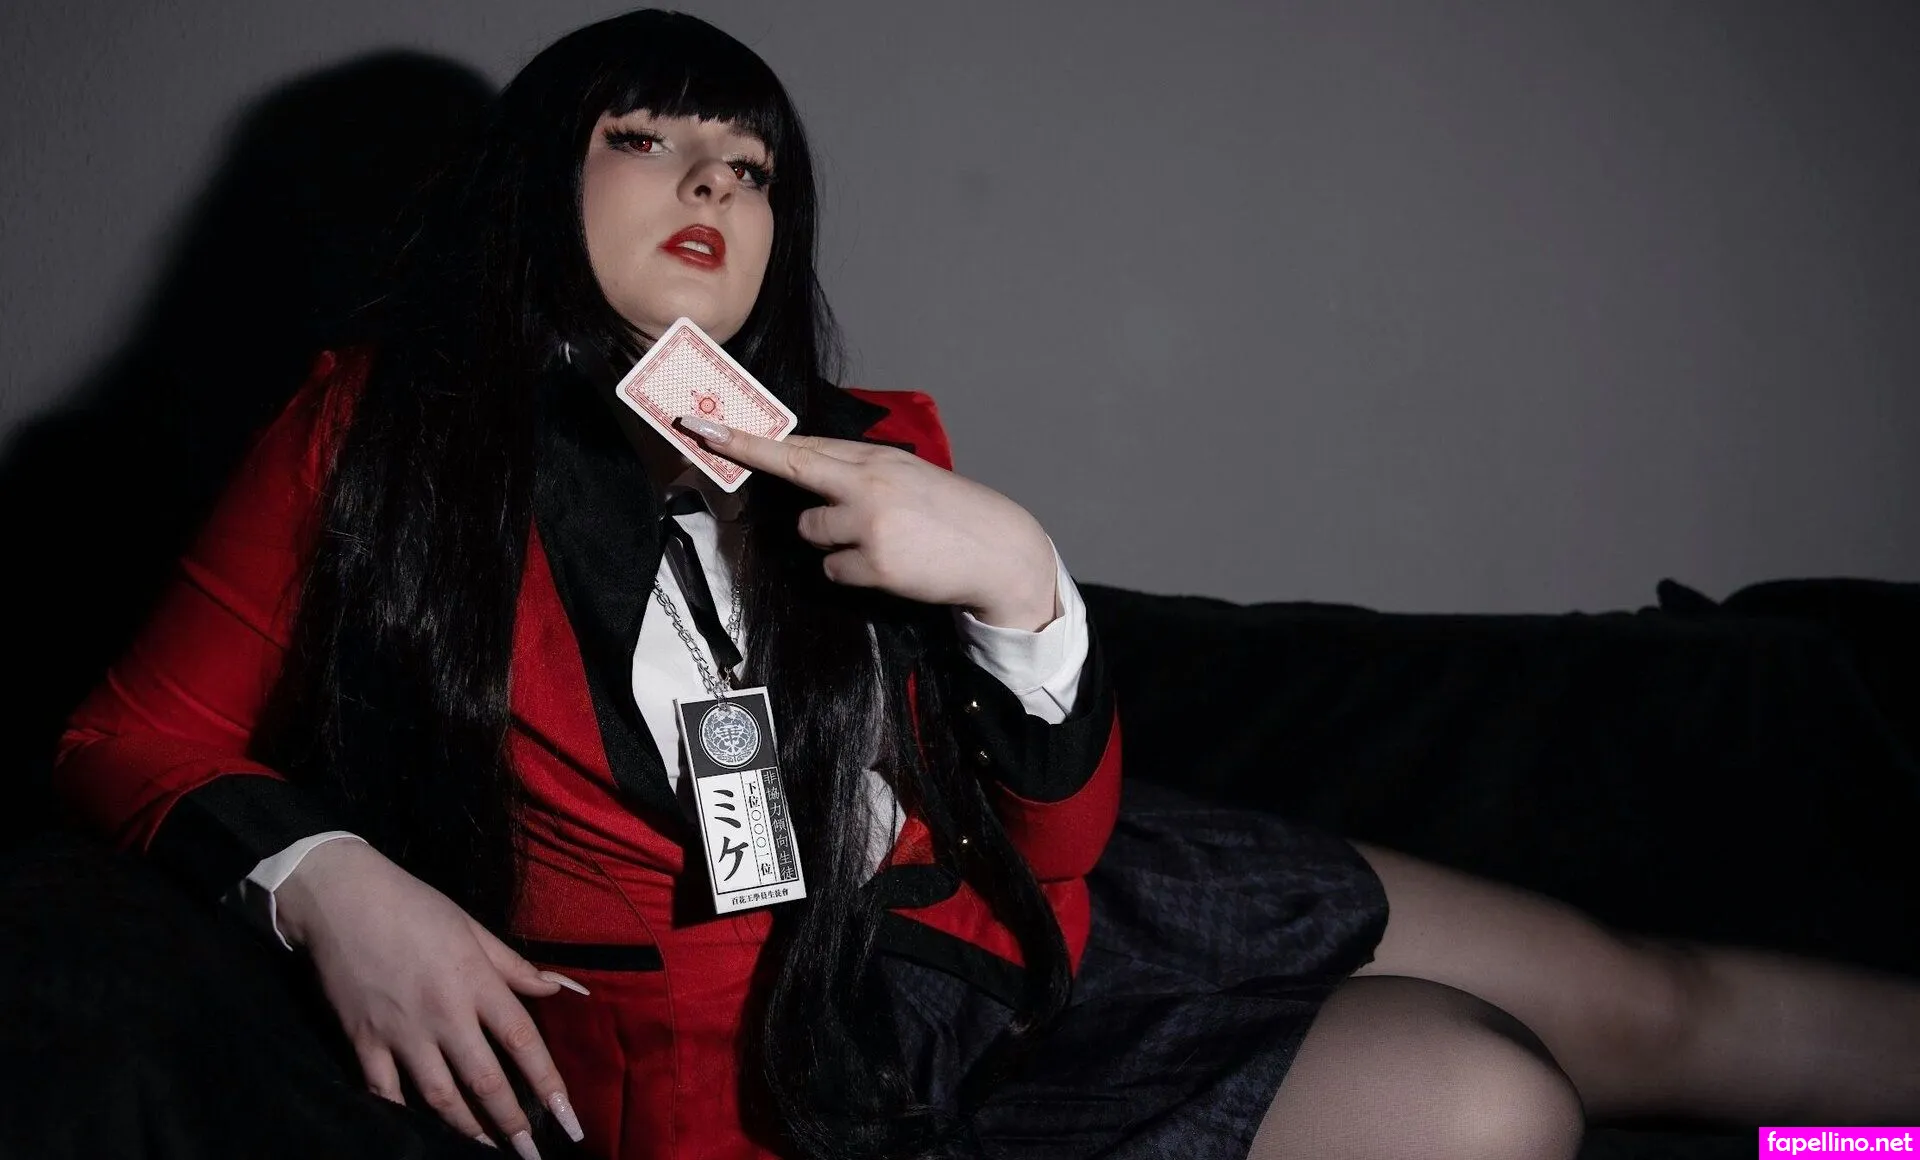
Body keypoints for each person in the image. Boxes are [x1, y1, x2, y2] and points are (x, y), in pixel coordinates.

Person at [52, 9, 1920, 1160]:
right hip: (857, 1074)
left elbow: (1057, 840)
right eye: (646, 139)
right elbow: (128, 737)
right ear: (537, 177)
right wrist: (328, 880)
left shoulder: (871, 444)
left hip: (1060, 906)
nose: (711, 185)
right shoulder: (369, 435)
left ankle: (1867, 1141)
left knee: (1641, 995)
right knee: (1501, 1102)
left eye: (750, 166)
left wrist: (1027, 598)